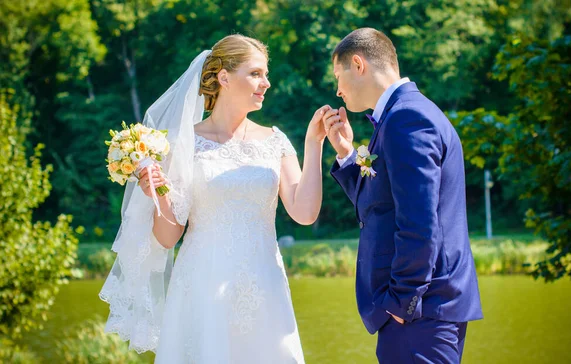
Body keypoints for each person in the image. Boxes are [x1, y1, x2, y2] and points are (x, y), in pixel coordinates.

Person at [100, 34, 328, 363]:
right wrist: (157, 194)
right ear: (224, 77)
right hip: (202, 285)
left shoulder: (275, 141)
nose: (266, 82)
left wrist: (314, 143)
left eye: (266, 74)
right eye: (256, 73)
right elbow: (167, 237)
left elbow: (305, 213)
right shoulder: (182, 143)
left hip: (263, 284)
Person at [323, 28, 483, 363]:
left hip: (420, 312)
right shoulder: (403, 115)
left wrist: (403, 301)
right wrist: (348, 154)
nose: (337, 90)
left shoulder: (407, 118)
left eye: (338, 75)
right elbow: (382, 206)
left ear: (358, 63)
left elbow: (420, 223)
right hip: (425, 311)